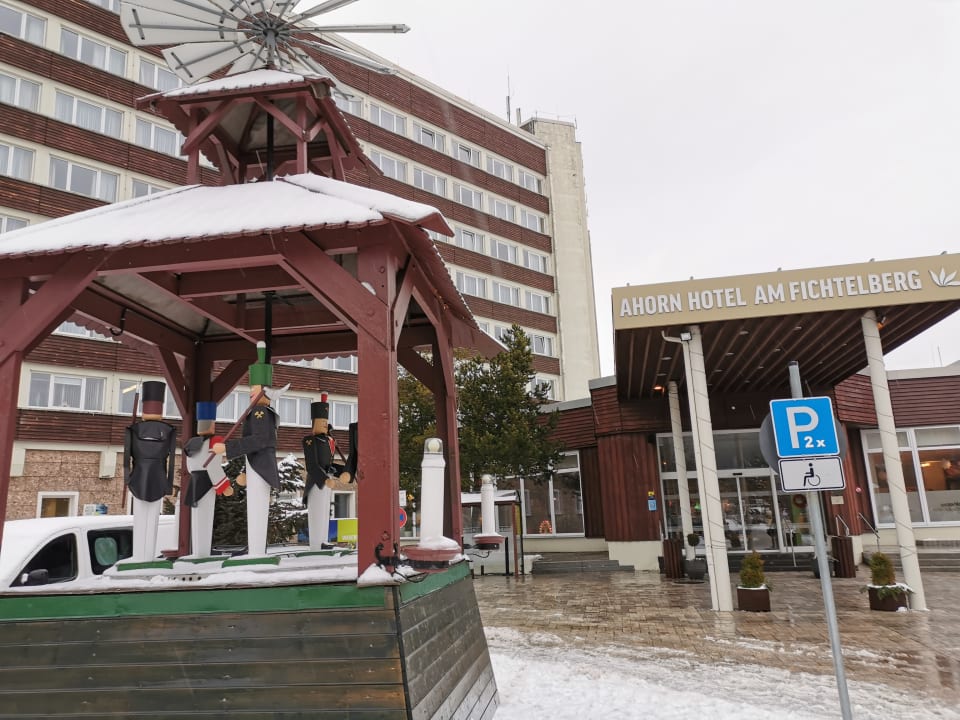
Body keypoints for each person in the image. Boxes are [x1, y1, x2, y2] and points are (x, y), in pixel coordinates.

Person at [212, 342, 283, 557]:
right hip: (257, 466)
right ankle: (254, 546)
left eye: (254, 389)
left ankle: (257, 549)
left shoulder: (260, 412)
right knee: (255, 507)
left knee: (257, 507)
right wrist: (246, 471)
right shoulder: (262, 412)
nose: (251, 393)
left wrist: (229, 447)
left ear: (265, 392)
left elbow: (259, 441)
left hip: (260, 467)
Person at [123, 380, 176, 562]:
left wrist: (127, 478)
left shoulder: (133, 429)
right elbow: (171, 459)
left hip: (138, 476)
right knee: (151, 519)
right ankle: (146, 556)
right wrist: (168, 485)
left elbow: (126, 457)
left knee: (141, 519)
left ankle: (140, 556)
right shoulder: (168, 430)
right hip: (157, 476)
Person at [183, 401, 230, 557]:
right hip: (208, 481)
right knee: (205, 518)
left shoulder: (191, 443)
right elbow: (214, 466)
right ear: (212, 424)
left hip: (194, 482)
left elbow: (189, 467)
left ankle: (198, 551)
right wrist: (224, 486)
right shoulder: (215, 441)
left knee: (197, 517)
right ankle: (202, 552)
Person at [302, 394, 336, 550]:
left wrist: (337, 472)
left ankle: (323, 540)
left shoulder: (328, 441)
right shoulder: (310, 441)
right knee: (317, 511)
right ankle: (316, 543)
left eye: (326, 423)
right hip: (316, 480)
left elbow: (329, 462)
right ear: (314, 423)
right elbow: (312, 465)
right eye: (321, 422)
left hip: (327, 479)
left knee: (324, 510)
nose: (324, 425)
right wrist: (324, 478)